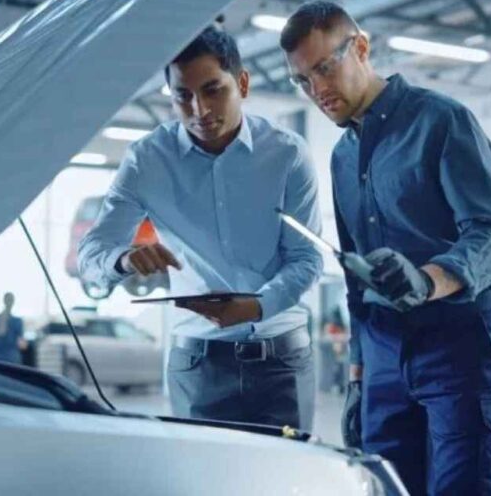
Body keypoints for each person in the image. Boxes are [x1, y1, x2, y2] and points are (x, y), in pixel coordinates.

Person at [280, 1, 491, 495]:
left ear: (361, 47)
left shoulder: (443, 122)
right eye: (303, 81)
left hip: (457, 351)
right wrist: (357, 376)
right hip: (383, 360)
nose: (318, 89)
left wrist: (428, 279)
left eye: (325, 67)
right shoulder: (343, 157)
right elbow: (354, 280)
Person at [78, 26, 323, 430]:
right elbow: (91, 256)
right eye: (183, 97)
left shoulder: (287, 154)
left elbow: (307, 258)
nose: (199, 110)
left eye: (213, 90)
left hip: (282, 360)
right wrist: (123, 259)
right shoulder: (146, 160)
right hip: (197, 365)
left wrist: (257, 307)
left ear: (242, 83)